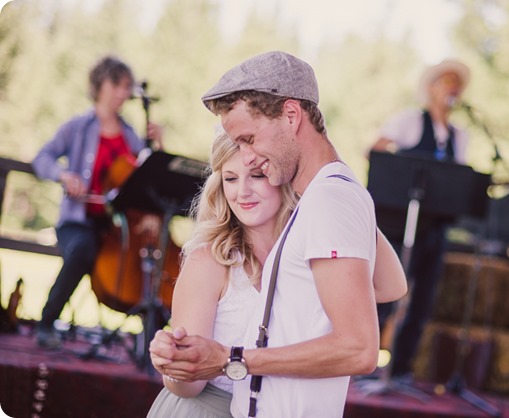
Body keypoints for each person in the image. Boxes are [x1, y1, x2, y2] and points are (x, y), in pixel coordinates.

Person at [149, 50, 396, 418]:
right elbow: (187, 383)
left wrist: (336, 198)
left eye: (250, 139)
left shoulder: (328, 202)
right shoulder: (215, 258)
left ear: (292, 115)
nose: (248, 160)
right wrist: (176, 360)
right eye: (230, 177)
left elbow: (390, 289)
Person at [31, 55, 164, 349]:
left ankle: (153, 338)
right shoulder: (77, 127)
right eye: (117, 84)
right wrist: (64, 175)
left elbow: (145, 180)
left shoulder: (131, 134)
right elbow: (42, 159)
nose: (123, 93)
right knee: (83, 248)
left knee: (151, 257)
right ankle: (46, 322)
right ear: (100, 85)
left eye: (127, 86)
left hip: (118, 227)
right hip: (78, 221)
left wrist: (157, 147)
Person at [370, 58, 471, 380]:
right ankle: (365, 360)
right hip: (399, 225)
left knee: (423, 300)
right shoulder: (410, 120)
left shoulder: (460, 135)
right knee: (385, 293)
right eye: (446, 80)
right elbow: (377, 151)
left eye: (457, 82)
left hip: (435, 228)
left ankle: (401, 369)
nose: (452, 87)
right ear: (431, 88)